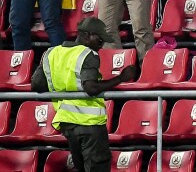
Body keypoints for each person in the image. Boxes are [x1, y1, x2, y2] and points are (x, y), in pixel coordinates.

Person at [33, 17, 139, 172]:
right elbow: (91, 87)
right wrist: (121, 78)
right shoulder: (87, 54)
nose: (101, 46)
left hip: (67, 123)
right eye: (100, 40)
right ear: (88, 35)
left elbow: (37, 85)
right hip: (90, 124)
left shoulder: (52, 53)